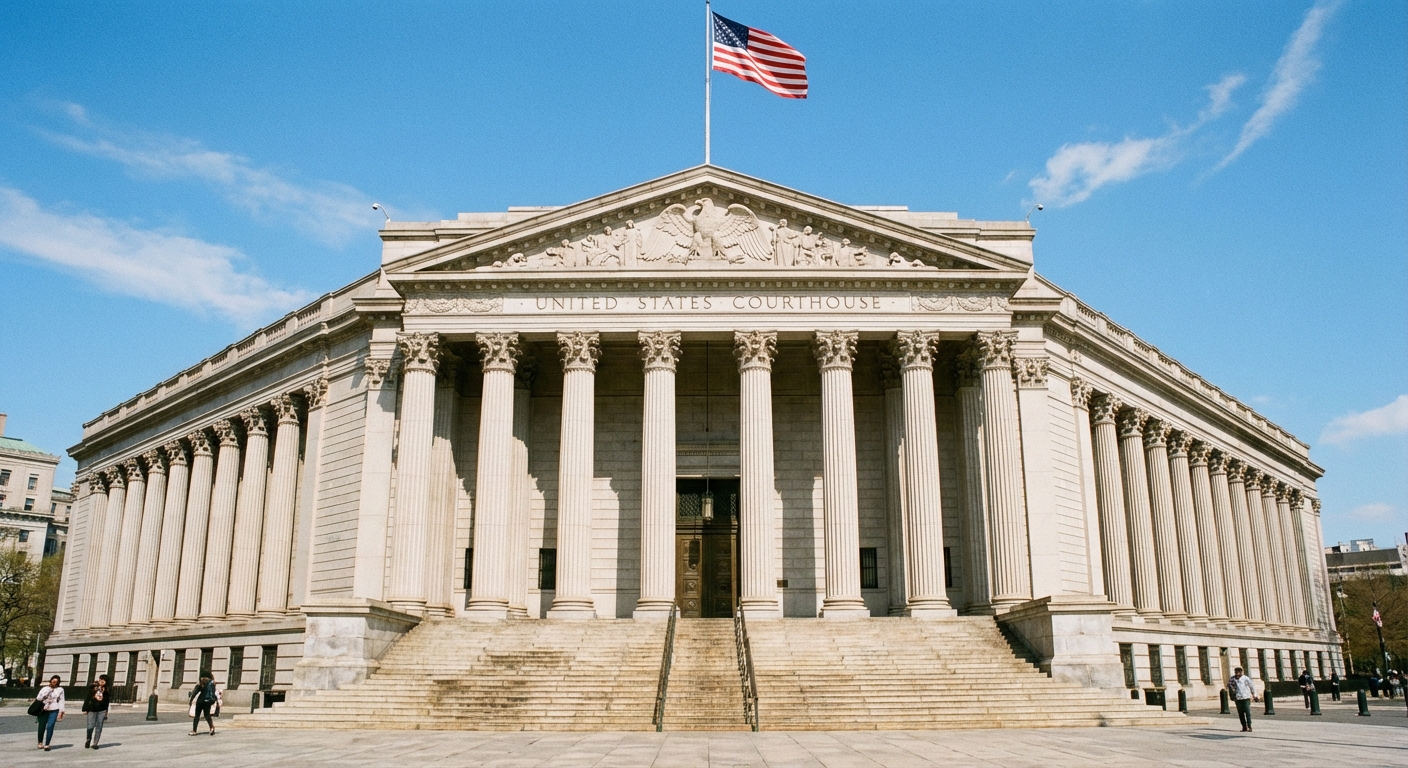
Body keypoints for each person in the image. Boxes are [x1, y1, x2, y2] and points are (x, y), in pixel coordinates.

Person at [34, 675, 65, 751]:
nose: (54, 683)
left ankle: (47, 744)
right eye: (52, 681)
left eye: (56, 682)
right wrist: (48, 691)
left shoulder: (60, 690)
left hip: (54, 709)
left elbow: (61, 700)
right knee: (42, 726)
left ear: (58, 683)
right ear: (50, 681)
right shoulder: (45, 688)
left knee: (50, 726)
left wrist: (61, 710)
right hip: (44, 709)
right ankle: (40, 742)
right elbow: (38, 698)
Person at [82, 674, 111, 749]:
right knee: (90, 726)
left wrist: (106, 711)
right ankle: (88, 739)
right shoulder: (93, 687)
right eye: (101, 679)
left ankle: (95, 743)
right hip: (92, 709)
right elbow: (87, 698)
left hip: (102, 710)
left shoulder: (107, 690)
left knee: (99, 727)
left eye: (104, 680)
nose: (102, 681)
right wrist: (85, 708)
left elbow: (107, 701)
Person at [1228, 667, 1258, 733]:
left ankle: (1249, 726)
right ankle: (1244, 726)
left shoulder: (1245, 678)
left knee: (1247, 712)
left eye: (1239, 672)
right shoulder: (1232, 679)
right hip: (1237, 698)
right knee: (1240, 713)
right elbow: (1230, 688)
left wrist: (1255, 695)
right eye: (1236, 672)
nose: (1238, 674)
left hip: (1246, 697)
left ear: (1242, 672)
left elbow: (1252, 686)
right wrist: (1232, 696)